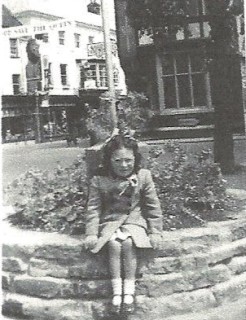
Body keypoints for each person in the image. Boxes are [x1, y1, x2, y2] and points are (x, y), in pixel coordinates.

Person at [84, 133, 163, 314]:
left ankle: (129, 293)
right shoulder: (99, 180)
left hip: (134, 221)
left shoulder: (143, 176)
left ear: (135, 159)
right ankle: (117, 292)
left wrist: (155, 231)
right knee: (113, 243)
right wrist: (91, 233)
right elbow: (93, 209)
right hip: (110, 222)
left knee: (128, 243)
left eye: (128, 160)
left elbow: (153, 207)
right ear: (109, 160)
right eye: (118, 160)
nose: (124, 165)